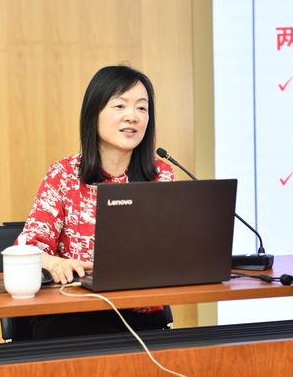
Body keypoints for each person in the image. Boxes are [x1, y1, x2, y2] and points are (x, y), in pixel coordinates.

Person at [18, 65, 175, 340]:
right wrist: (54, 263)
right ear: (94, 113)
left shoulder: (161, 175)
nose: (132, 116)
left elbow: (174, 249)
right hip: (73, 316)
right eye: (120, 106)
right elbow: (28, 247)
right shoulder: (64, 175)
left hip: (143, 317)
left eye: (141, 108)